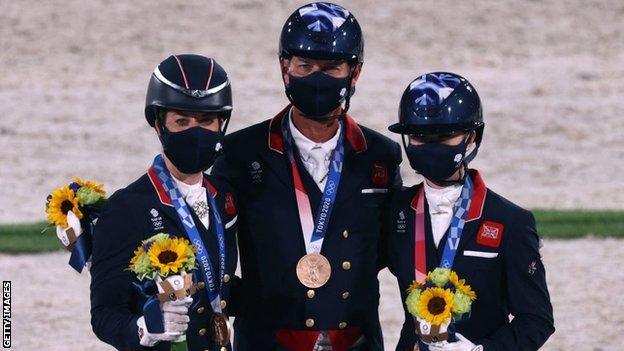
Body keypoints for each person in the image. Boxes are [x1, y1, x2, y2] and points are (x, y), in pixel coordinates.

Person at [211, 2, 402, 350]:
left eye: (331, 68)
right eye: (305, 66)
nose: (317, 77)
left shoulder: (381, 156)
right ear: (285, 69)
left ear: (354, 72)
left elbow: (392, 250)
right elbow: (214, 249)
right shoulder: (239, 154)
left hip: (357, 343)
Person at [384, 72, 555, 351]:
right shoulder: (395, 211)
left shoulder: (511, 221)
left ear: (472, 137)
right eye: (419, 136)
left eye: (445, 136)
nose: (431, 146)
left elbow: (536, 319)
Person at [90, 54, 240, 351]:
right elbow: (104, 314)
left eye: (206, 120)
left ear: (221, 124)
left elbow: (219, 283)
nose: (195, 132)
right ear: (159, 125)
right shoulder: (126, 208)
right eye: (181, 121)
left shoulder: (223, 197)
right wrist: (144, 330)